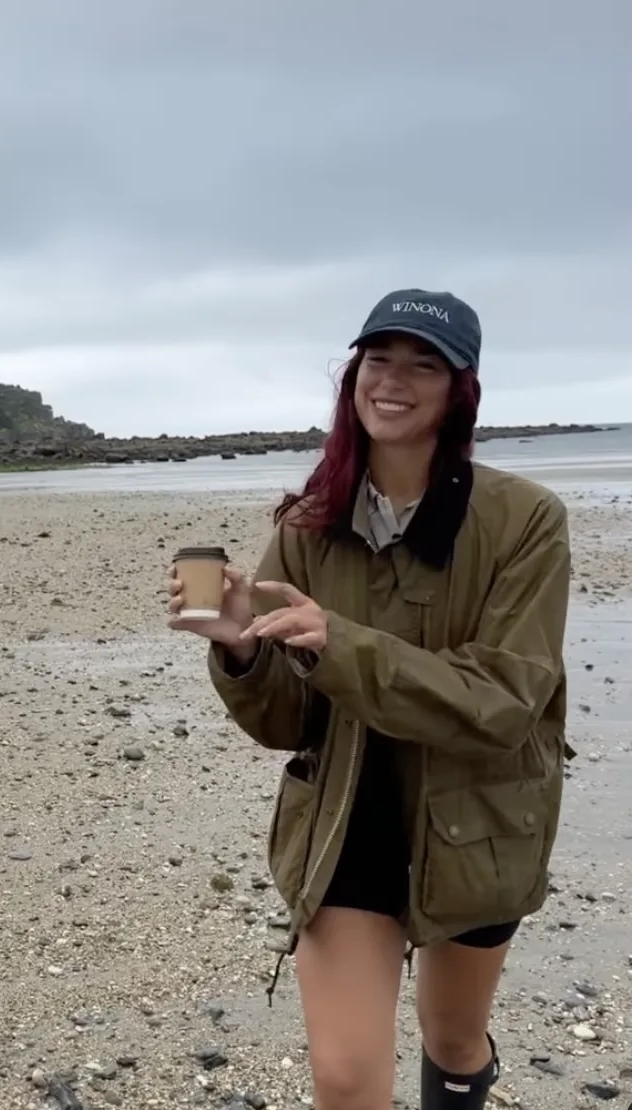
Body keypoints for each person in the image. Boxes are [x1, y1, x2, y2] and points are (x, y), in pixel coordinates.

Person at [167, 289, 571, 1110]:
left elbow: (504, 700)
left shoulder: (525, 519)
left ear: (461, 389)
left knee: (453, 1037)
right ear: (353, 377)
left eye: (425, 363)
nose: (394, 380)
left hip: (481, 819)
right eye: (378, 360)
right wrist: (243, 650)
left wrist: (337, 642)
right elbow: (289, 723)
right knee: (347, 1080)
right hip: (346, 819)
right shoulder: (309, 524)